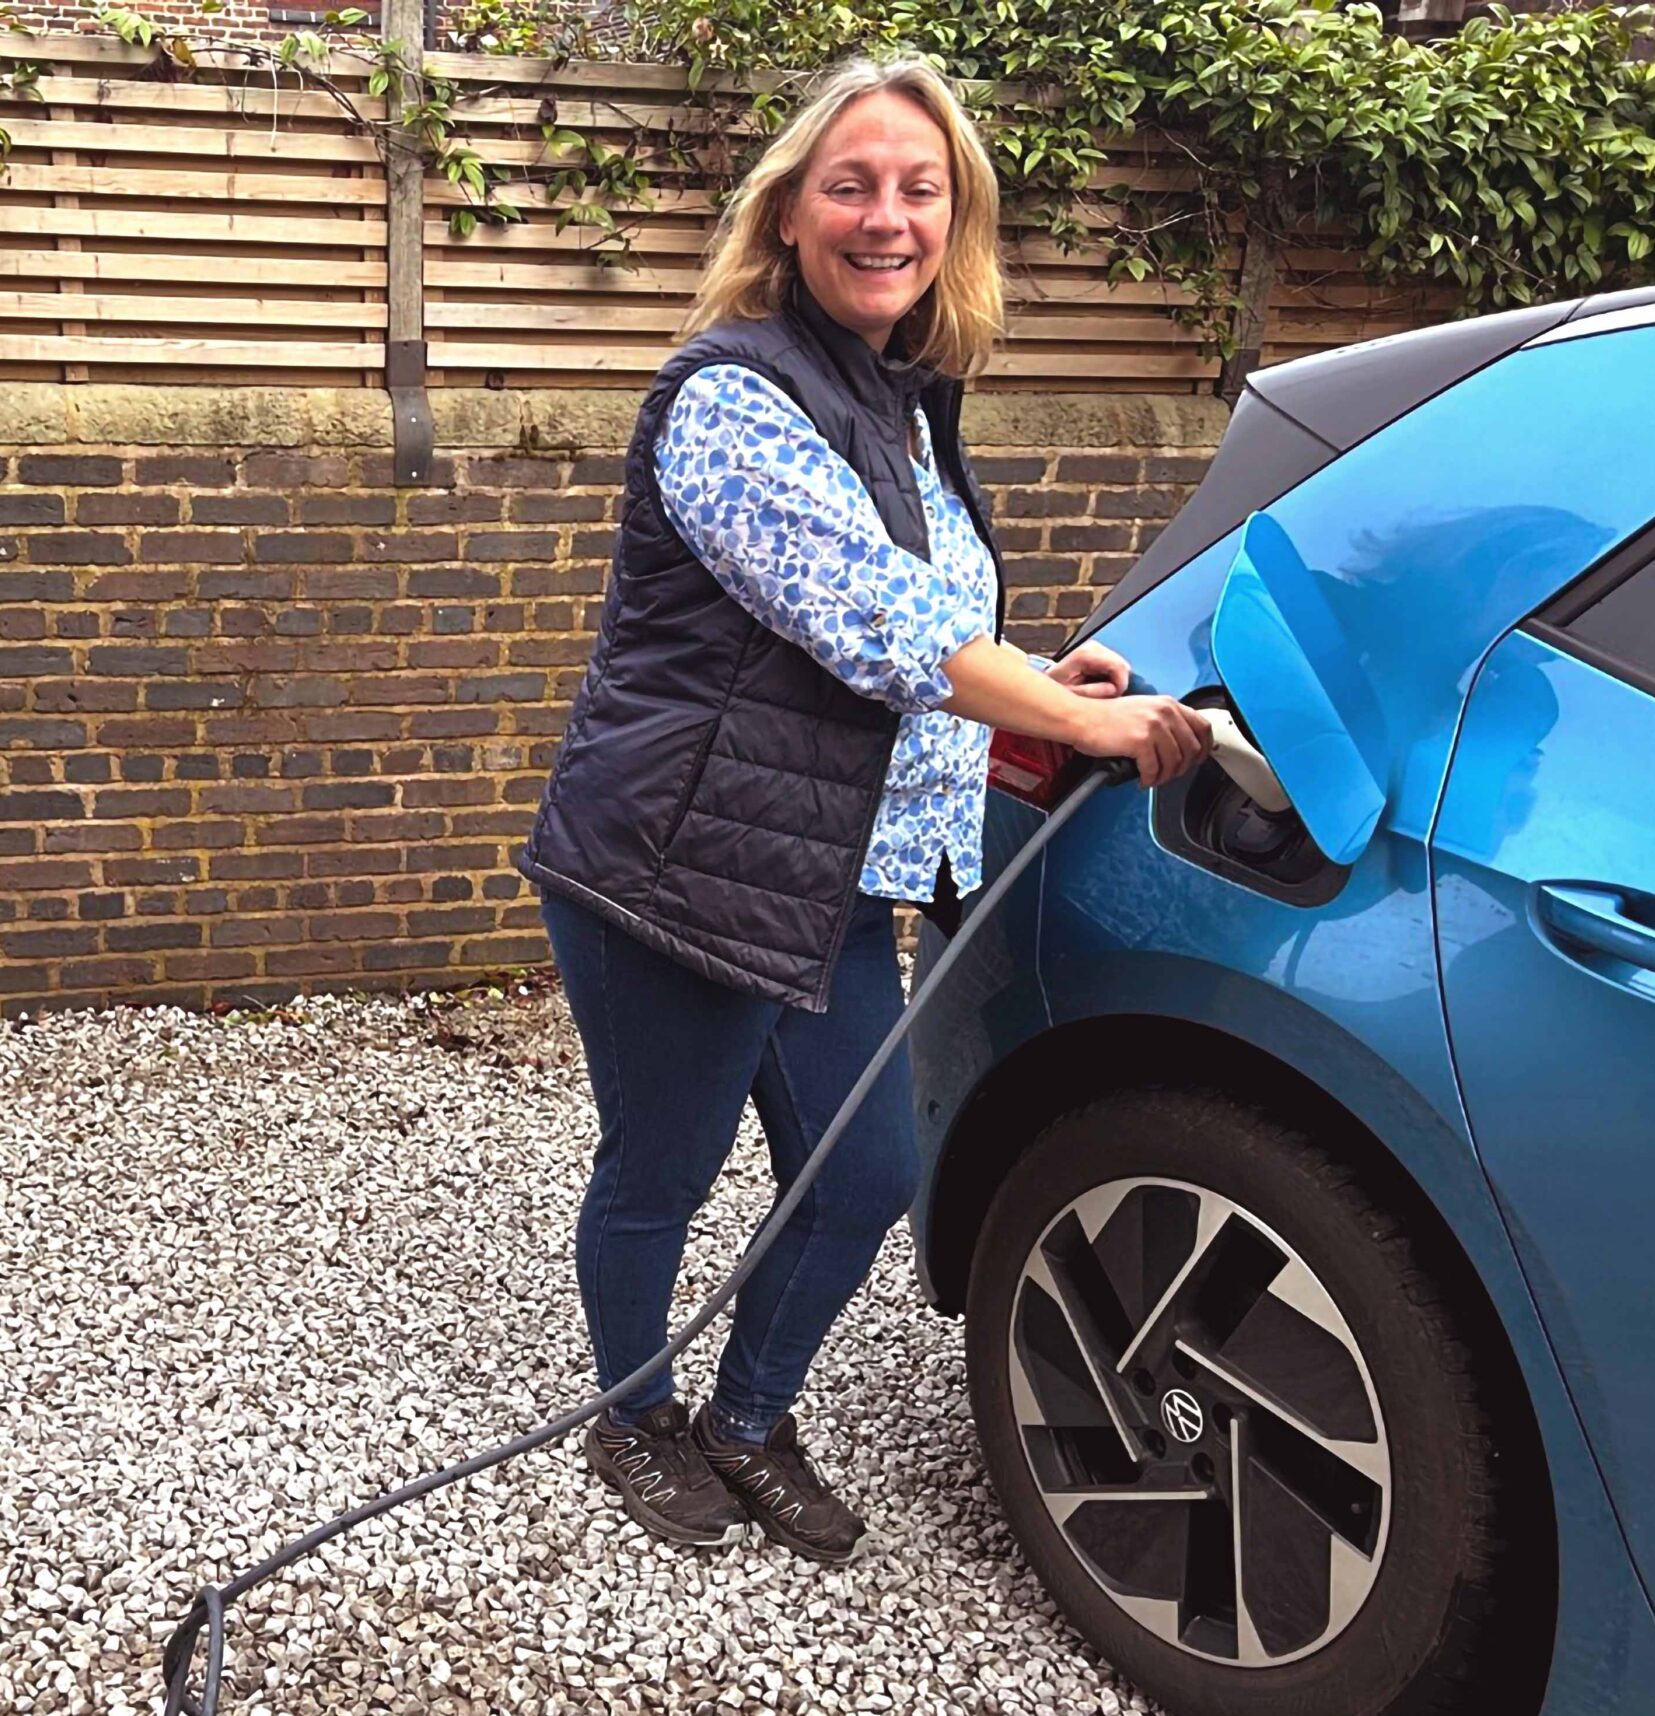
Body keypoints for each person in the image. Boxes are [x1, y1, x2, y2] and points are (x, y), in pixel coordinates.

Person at [515, 54, 1212, 1564]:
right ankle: (628, 1415)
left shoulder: (901, 401)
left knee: (869, 1178)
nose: (886, 215)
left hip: (827, 879)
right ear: (787, 215)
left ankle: (747, 1421)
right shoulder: (731, 399)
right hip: (680, 873)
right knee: (663, 1169)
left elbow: (921, 617)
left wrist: (1036, 668)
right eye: (852, 184)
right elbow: (875, 623)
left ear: (953, 220)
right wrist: (1083, 718)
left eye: (920, 188)